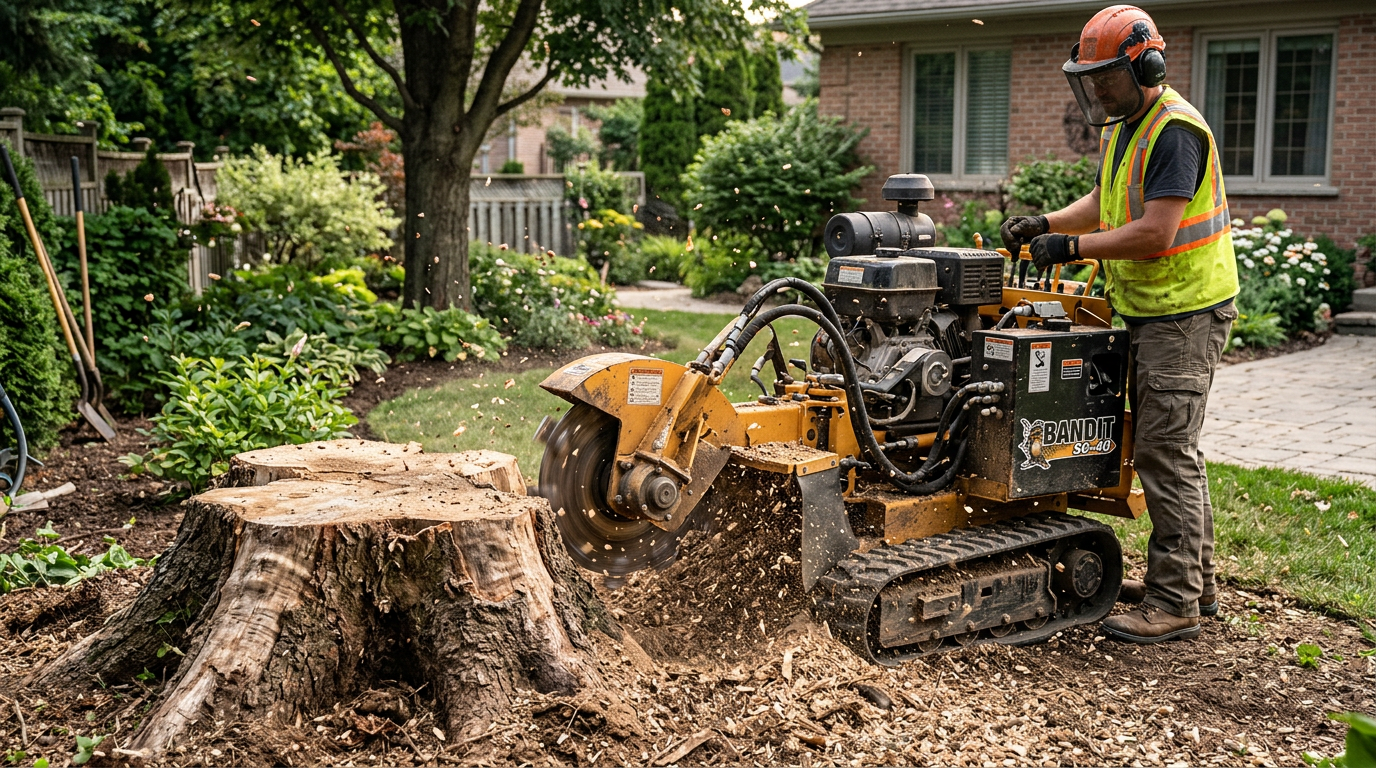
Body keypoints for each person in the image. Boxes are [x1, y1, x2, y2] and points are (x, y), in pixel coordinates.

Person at [1000, 5, 1238, 644]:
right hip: (1152, 311)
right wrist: (1047, 224)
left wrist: (1072, 252)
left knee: (1166, 450)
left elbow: (1156, 231)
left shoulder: (1175, 132)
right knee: (1169, 447)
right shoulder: (1128, 127)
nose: (1097, 88)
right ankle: (1193, 584)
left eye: (1106, 75)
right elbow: (1107, 204)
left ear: (1146, 65)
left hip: (1185, 312)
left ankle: (1174, 602)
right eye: (1091, 77)